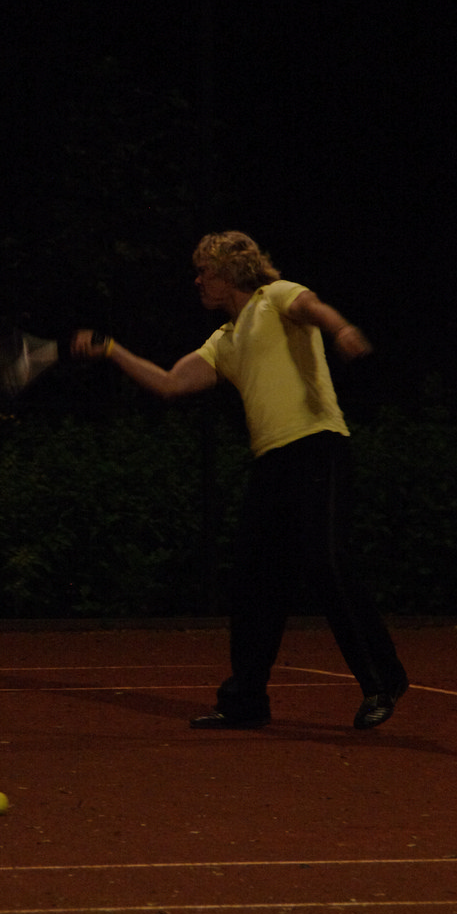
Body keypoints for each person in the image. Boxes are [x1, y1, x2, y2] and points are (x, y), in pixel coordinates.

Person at [71, 230, 407, 731]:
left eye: (204, 271)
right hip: (271, 463)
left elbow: (312, 307)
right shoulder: (224, 340)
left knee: (326, 560)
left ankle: (382, 680)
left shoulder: (276, 296)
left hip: (318, 447)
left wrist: (341, 330)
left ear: (230, 272)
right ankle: (246, 700)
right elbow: (169, 383)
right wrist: (111, 350)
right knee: (253, 582)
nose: (197, 280)